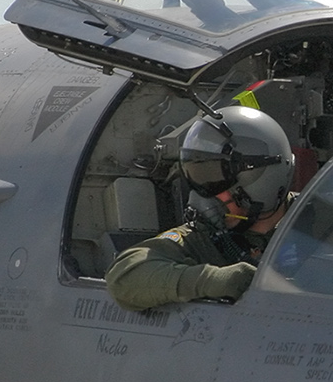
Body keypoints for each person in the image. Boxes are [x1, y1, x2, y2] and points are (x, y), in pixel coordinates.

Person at [106, 105, 295, 311]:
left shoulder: (322, 221)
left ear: (261, 180)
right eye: (198, 180)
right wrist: (209, 280)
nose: (205, 195)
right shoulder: (203, 236)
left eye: (215, 182)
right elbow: (123, 278)